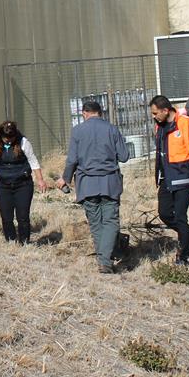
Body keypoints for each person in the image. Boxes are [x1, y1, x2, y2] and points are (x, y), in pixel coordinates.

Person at [55, 100, 131, 273]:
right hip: (110, 182)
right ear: (101, 113)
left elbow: (72, 159)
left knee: (96, 223)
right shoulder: (112, 129)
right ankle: (105, 259)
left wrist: (65, 179)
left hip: (87, 183)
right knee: (111, 221)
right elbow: (125, 156)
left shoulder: (77, 131)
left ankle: (103, 259)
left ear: (84, 113)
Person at [149, 95, 189, 266]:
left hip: (184, 178)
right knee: (164, 213)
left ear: (166, 110)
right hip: (167, 177)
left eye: (155, 113)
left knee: (180, 216)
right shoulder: (160, 126)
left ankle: (184, 255)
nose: (153, 116)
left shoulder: (186, 124)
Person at [0, 120, 48, 244]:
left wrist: (40, 180)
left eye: (11, 138)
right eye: (6, 139)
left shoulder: (24, 142)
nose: (9, 141)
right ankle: (11, 241)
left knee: (22, 217)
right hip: (3, 186)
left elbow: (33, 161)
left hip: (23, 184)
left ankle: (24, 242)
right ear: (0, 136)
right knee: (6, 218)